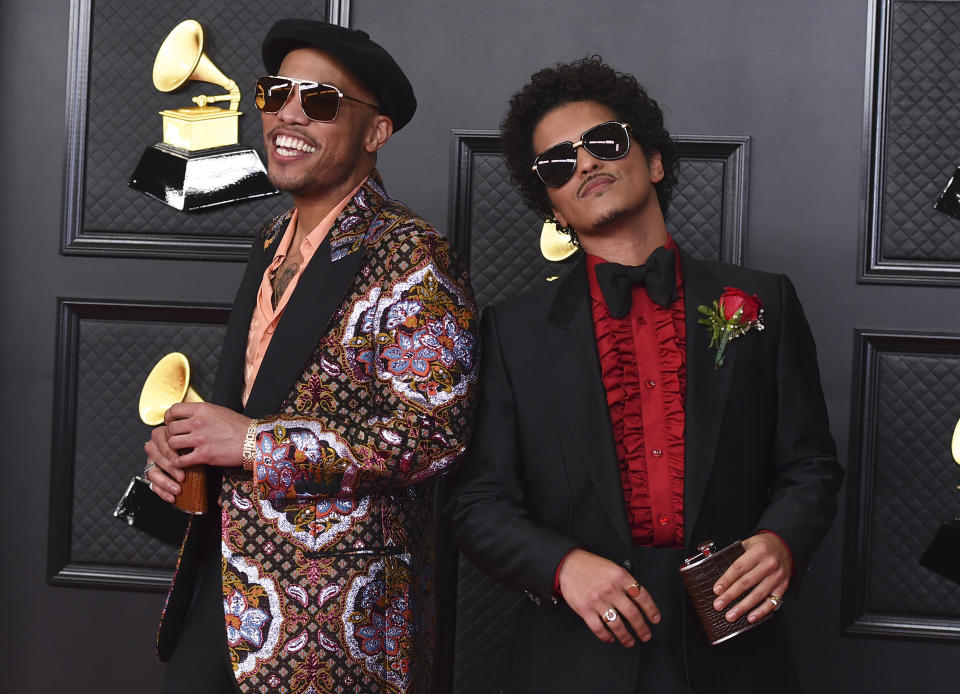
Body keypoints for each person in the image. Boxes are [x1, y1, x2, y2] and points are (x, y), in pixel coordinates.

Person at [445, 56, 843, 693]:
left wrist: (782, 541)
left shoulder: (763, 300)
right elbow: (476, 502)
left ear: (654, 161)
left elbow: (811, 464)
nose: (584, 163)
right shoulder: (512, 331)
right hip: (576, 653)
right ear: (551, 205)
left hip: (736, 640)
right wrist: (563, 566)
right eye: (556, 163)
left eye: (603, 142)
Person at [143, 19, 479, 694]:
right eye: (276, 93)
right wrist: (187, 455)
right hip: (227, 594)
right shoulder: (272, 236)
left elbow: (433, 435)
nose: (289, 113)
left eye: (321, 101)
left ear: (374, 134)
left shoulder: (412, 254)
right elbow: (259, 408)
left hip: (334, 633)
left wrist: (255, 444)